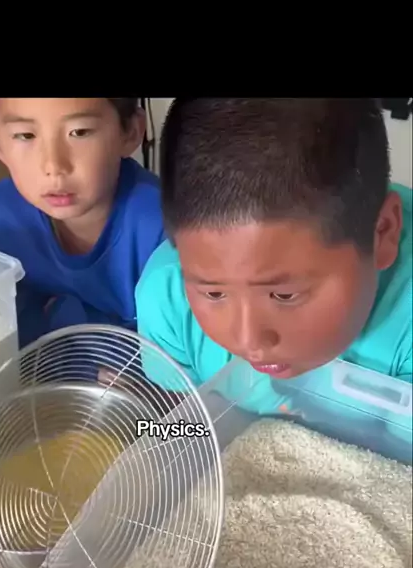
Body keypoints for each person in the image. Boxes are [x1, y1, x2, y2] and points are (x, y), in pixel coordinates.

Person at [135, 99, 412, 417]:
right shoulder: (168, 300)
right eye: (214, 294)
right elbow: (189, 424)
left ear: (382, 233)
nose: (249, 340)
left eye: (284, 295)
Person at [0, 98, 165, 350]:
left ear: (130, 131)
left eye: (79, 132)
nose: (53, 166)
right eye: (25, 135)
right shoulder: (1, 217)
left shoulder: (167, 232)